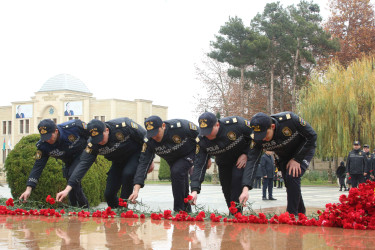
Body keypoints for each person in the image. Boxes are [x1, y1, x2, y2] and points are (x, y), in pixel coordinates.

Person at [56, 118, 154, 208]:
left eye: (101, 137)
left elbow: (147, 140)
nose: (100, 142)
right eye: (96, 139)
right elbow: (83, 165)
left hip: (134, 155)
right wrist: (67, 189)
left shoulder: (124, 126)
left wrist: (150, 160)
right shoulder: (92, 144)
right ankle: (116, 214)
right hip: (118, 161)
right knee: (109, 194)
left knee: (127, 174)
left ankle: (123, 210)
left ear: (106, 130)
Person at [239, 112, 317, 215]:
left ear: (273, 126)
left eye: (264, 134)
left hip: (303, 150)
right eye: (259, 135)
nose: (262, 139)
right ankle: (301, 214)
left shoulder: (289, 120)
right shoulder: (257, 138)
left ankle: (291, 215)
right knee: (291, 184)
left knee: (292, 175)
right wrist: (245, 189)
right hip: (284, 155)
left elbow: (312, 136)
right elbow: (252, 161)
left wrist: (297, 159)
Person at [130, 116, 200, 212]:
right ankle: (186, 211)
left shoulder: (180, 127)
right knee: (179, 178)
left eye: (156, 133)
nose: (155, 137)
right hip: (172, 159)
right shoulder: (148, 140)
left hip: (189, 152)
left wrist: (207, 157)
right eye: (152, 134)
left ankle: (178, 210)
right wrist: (136, 190)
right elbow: (143, 164)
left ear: (163, 126)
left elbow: (201, 136)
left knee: (177, 171)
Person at [19, 119, 89, 208]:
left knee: (72, 176)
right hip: (68, 160)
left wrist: (92, 151)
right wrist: (28, 189)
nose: (48, 140)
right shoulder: (43, 146)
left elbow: (91, 134)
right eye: (45, 138)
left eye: (49, 136)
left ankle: (84, 207)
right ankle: (75, 208)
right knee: (69, 178)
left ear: (56, 131)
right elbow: (37, 166)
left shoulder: (74, 127)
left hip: (82, 153)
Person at [190, 112, 253, 210]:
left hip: (240, 159)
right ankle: (232, 212)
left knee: (236, 181)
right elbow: (199, 164)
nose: (207, 135)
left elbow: (256, 139)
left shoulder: (236, 124)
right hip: (223, 162)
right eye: (204, 131)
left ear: (217, 125)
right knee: (226, 189)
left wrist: (246, 153)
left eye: (209, 131)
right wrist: (194, 190)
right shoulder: (201, 140)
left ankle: (236, 214)